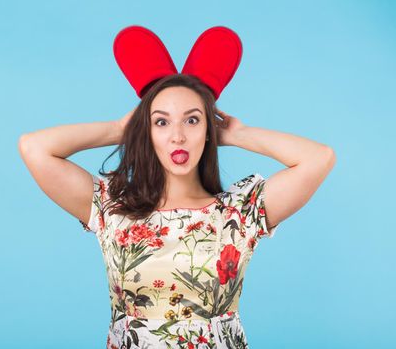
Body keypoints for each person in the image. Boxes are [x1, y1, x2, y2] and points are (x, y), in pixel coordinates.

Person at [18, 28, 335, 349]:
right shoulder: (111, 207)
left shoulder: (240, 212)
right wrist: (119, 130)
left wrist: (239, 134)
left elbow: (319, 158)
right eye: (161, 122)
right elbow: (34, 148)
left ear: (209, 130)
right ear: (147, 132)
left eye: (193, 120)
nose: (178, 136)